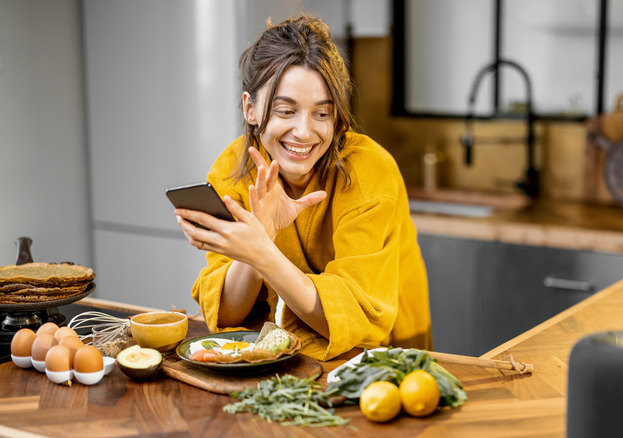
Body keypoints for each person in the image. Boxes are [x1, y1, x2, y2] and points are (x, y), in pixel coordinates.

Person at [174, 15, 432, 361]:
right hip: (287, 353)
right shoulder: (234, 171)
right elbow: (229, 315)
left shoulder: (369, 172)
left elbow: (354, 318)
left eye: (322, 114)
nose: (304, 132)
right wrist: (255, 251)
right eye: (286, 110)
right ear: (251, 108)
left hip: (385, 345)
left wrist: (262, 253)